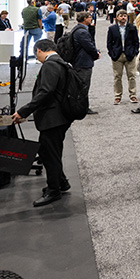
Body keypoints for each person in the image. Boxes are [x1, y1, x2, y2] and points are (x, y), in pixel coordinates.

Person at [11, 39, 73, 207]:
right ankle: (61, 182)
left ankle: (54, 190)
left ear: (39, 50)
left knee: (49, 153)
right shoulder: (60, 62)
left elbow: (46, 92)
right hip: (58, 116)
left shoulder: (51, 64)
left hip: (53, 118)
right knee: (50, 152)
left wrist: (24, 111)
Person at [107, 10, 139, 105]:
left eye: (125, 16)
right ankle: (117, 96)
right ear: (117, 17)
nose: (123, 17)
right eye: (121, 16)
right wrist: (112, 54)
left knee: (132, 76)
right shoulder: (112, 29)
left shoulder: (132, 27)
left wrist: (135, 52)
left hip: (129, 54)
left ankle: (133, 95)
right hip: (117, 55)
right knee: (117, 77)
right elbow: (109, 43)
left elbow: (136, 42)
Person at [72, 11, 100, 115]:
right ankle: (82, 108)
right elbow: (89, 45)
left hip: (80, 61)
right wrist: (96, 54)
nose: (91, 19)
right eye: (89, 17)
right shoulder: (82, 32)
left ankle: (81, 106)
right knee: (83, 85)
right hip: (82, 62)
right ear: (84, 19)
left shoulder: (79, 29)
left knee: (82, 84)